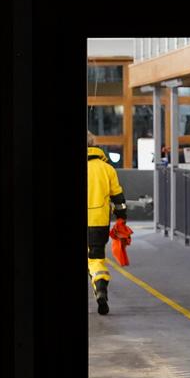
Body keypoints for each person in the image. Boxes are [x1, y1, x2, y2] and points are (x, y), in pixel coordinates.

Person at [87, 130, 127, 315]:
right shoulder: (107, 169)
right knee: (96, 260)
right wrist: (122, 218)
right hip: (99, 222)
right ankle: (100, 287)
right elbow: (118, 197)